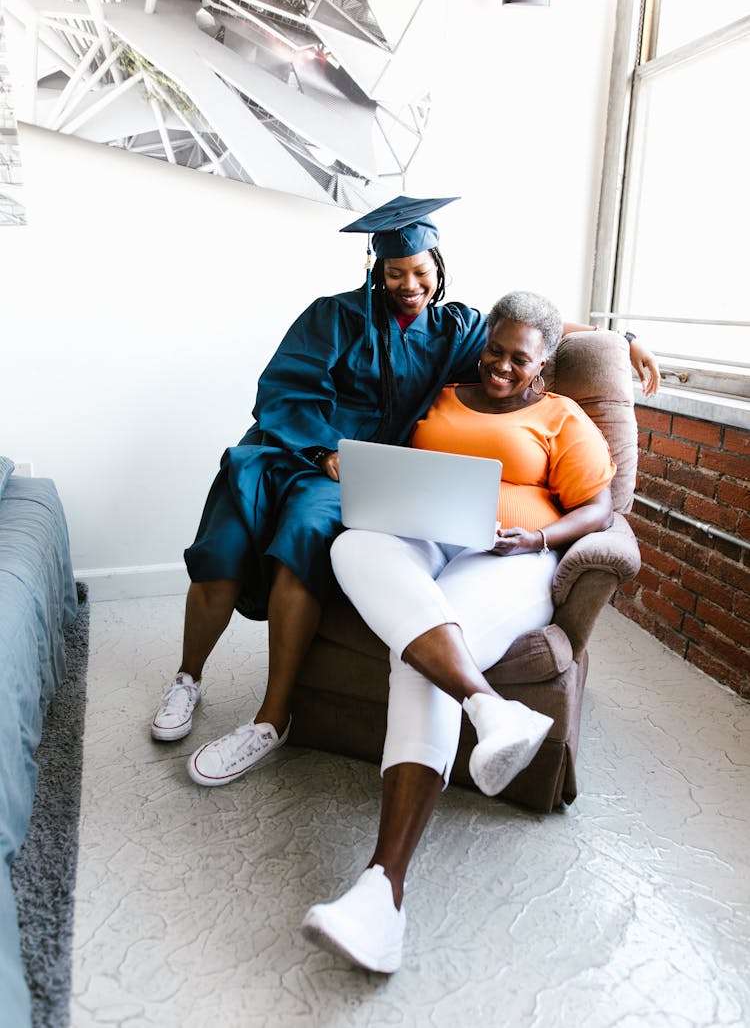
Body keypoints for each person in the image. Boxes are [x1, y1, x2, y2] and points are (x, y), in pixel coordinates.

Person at [149, 196, 658, 790]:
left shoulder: (455, 330)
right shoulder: (332, 316)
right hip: (289, 450)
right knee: (222, 549)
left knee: (306, 545)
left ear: (439, 269)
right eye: (395, 273)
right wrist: (324, 448)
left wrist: (620, 338)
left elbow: (532, 330)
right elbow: (282, 391)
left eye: (421, 272)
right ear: (376, 270)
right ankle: (187, 677)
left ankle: (273, 716)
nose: (409, 285)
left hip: (358, 473)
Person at [300, 290, 616, 973]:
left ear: (545, 363)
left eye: (520, 358)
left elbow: (599, 505)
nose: (502, 365)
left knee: (423, 653)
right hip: (423, 539)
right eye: (495, 349)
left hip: (508, 558)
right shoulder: (442, 391)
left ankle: (383, 890)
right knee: (351, 547)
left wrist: (539, 534)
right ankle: (489, 707)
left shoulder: (562, 416)